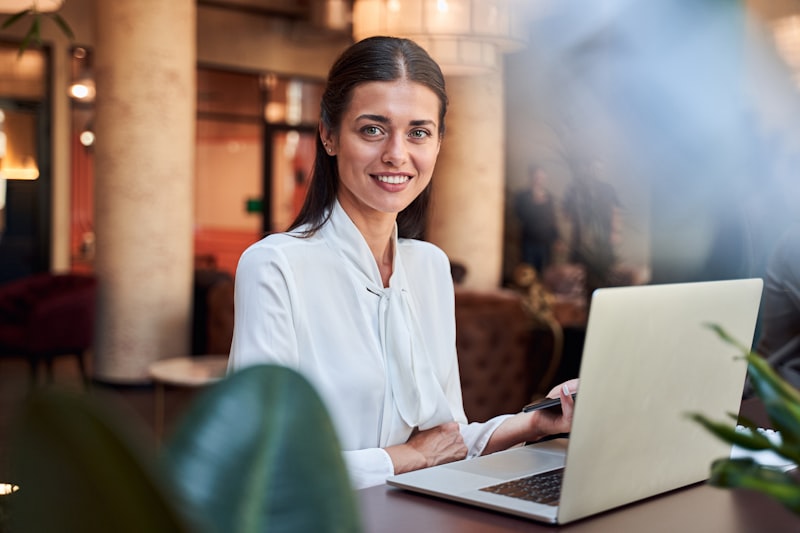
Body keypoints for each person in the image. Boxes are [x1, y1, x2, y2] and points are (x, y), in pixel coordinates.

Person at [227, 36, 577, 490]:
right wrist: (403, 458)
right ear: (329, 136)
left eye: (418, 132)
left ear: (437, 143)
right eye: (372, 129)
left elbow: (445, 442)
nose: (397, 153)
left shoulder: (430, 267)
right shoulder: (275, 267)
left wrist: (532, 426)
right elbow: (261, 465)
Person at [513, 164, 560, 274]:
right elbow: (520, 215)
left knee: (545, 273)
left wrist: (556, 238)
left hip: (546, 242)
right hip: (529, 241)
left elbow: (552, 219)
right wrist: (534, 203)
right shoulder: (522, 196)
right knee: (528, 273)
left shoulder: (549, 197)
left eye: (542, 177)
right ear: (531, 177)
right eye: (537, 177)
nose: (539, 180)